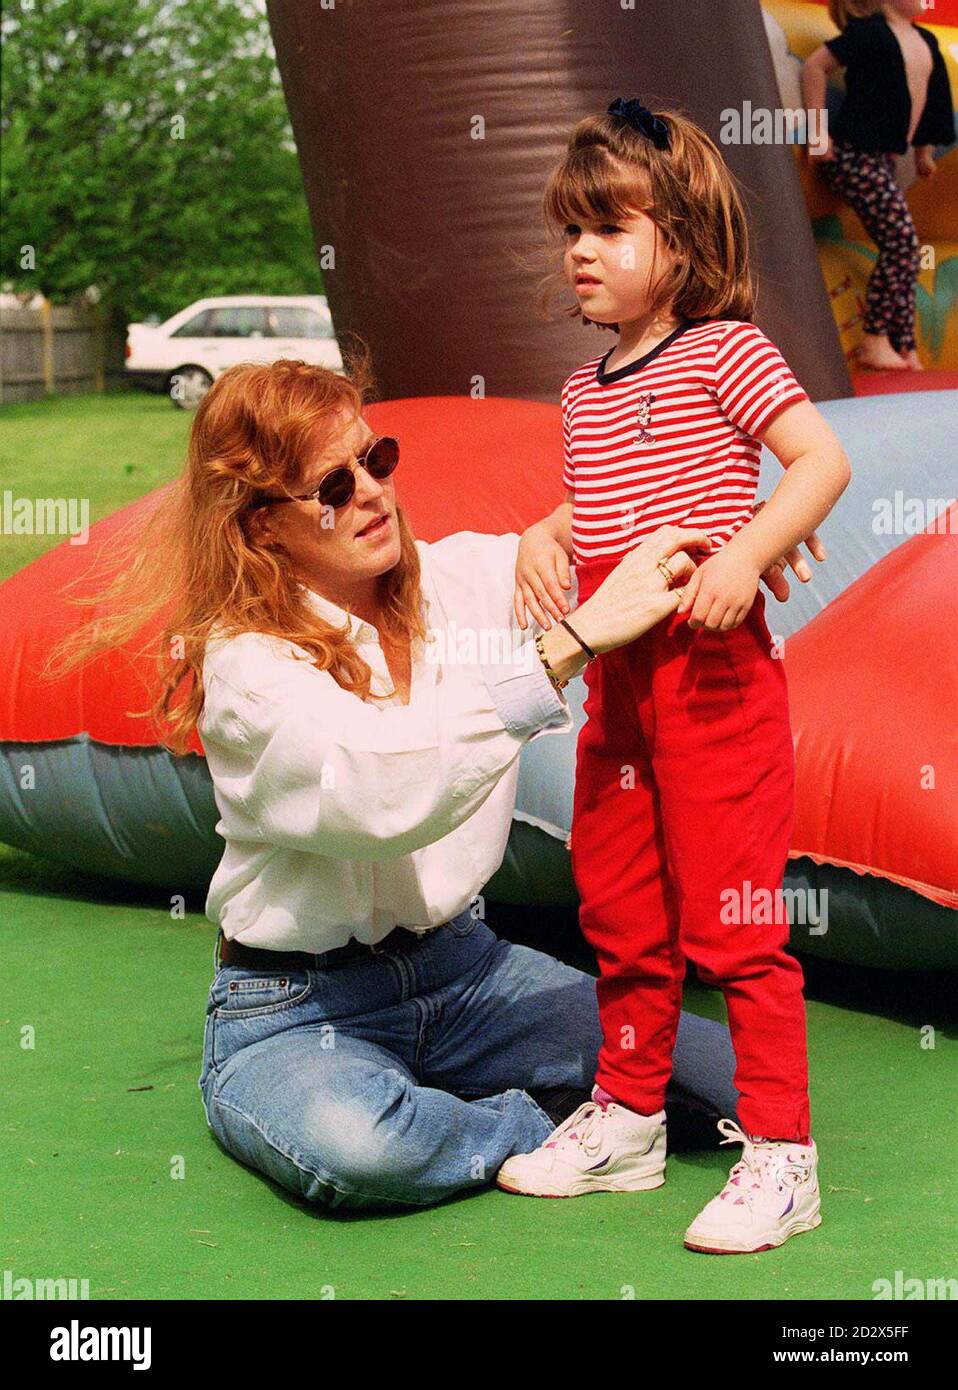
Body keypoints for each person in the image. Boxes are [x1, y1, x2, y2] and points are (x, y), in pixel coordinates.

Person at [502, 98, 851, 1254]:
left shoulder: (727, 351)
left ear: (683, 242)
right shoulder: (583, 386)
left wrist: (747, 553)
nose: (581, 252)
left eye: (610, 227)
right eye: (572, 231)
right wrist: (545, 528)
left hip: (713, 680)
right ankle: (631, 1117)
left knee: (735, 917)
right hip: (621, 692)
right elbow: (615, 493)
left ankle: (782, 1154)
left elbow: (820, 458)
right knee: (618, 905)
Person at [802, 0, 955, 371]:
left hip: (885, 162)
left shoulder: (926, 40)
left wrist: (923, 153)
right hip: (853, 155)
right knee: (902, 244)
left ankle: (904, 346)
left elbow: (933, 101)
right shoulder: (870, 33)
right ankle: (874, 339)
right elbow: (814, 67)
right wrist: (818, 133)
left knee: (906, 249)